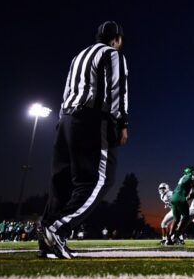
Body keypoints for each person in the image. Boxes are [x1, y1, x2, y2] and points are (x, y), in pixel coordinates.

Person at [38, 21, 129, 259]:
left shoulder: (78, 56)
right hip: (91, 119)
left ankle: (47, 240)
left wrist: (62, 121)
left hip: (66, 118)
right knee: (99, 179)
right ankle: (58, 228)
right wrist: (122, 123)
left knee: (62, 182)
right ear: (116, 39)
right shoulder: (112, 54)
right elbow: (117, 89)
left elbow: (68, 90)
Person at [168, 166, 194, 245]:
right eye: (193, 172)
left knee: (176, 219)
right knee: (186, 217)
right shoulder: (188, 176)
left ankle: (169, 237)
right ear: (190, 172)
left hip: (174, 198)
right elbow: (187, 183)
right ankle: (176, 236)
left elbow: (190, 187)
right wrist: (190, 177)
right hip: (180, 198)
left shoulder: (183, 178)